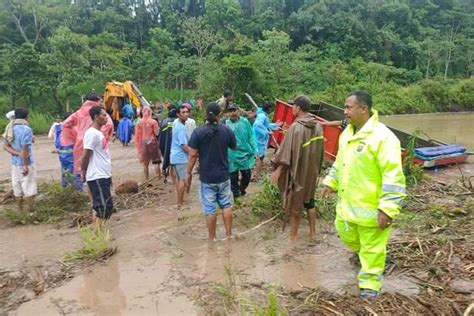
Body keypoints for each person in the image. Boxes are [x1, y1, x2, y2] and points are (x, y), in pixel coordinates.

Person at [321, 90, 406, 299]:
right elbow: (340, 162)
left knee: (372, 248)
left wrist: (387, 208)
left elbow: (393, 177)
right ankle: (363, 257)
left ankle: (370, 287)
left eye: (349, 107)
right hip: (348, 208)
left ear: (364, 108)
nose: (345, 112)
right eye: (345, 107)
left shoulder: (383, 138)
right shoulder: (348, 133)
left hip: (371, 209)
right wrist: (330, 182)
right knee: (348, 235)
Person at [270, 96, 324, 241]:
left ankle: (293, 237)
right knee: (310, 201)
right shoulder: (318, 126)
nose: (292, 108)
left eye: (293, 106)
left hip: (299, 171)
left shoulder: (296, 127)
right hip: (312, 171)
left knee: (295, 204)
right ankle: (313, 233)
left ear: (298, 108)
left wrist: (278, 170)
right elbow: (321, 151)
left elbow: (286, 152)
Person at [187, 103, 236, 240]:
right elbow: (234, 147)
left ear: (206, 114)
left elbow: (192, 154)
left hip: (207, 177)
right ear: (220, 115)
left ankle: (212, 238)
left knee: (210, 210)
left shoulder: (198, 132)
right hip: (224, 175)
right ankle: (229, 235)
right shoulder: (227, 130)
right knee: (226, 205)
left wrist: (188, 173)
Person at [61, 92, 114, 179]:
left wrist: (76, 137)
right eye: (100, 101)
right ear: (96, 101)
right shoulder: (99, 113)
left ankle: (83, 189)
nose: (102, 103)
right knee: (98, 169)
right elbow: (109, 125)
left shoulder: (79, 112)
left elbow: (65, 124)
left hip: (80, 144)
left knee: (84, 169)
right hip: (97, 143)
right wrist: (102, 136)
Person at [81, 106, 114, 229]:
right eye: (104, 115)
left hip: (103, 174)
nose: (106, 118)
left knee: (100, 207)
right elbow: (85, 155)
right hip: (97, 176)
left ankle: (99, 232)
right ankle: (97, 234)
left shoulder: (98, 133)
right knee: (105, 207)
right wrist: (83, 171)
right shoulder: (91, 134)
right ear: (96, 117)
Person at [3, 108, 37, 211]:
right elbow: (24, 149)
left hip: (14, 163)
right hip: (26, 162)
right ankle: (31, 212)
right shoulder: (26, 129)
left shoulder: (9, 127)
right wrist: (25, 165)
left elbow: (5, 146)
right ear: (26, 116)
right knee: (29, 187)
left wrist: (17, 154)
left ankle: (20, 211)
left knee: (17, 187)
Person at [225, 104, 257, 198]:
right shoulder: (226, 124)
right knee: (233, 176)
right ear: (228, 113)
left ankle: (242, 188)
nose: (233, 113)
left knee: (247, 174)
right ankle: (236, 195)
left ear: (238, 111)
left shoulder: (245, 122)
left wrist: (255, 149)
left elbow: (251, 135)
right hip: (232, 154)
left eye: (234, 110)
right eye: (230, 111)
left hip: (245, 152)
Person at [55, 112, 83, 191]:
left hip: (62, 156)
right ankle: (77, 192)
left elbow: (57, 144)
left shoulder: (59, 129)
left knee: (65, 172)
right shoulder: (72, 129)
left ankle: (66, 189)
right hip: (72, 156)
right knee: (75, 174)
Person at [253, 102, 280, 180]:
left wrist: (276, 125)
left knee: (259, 158)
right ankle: (255, 176)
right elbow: (257, 125)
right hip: (258, 141)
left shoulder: (263, 115)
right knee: (259, 159)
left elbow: (266, 125)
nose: (272, 111)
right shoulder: (262, 116)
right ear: (268, 109)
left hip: (260, 141)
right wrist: (266, 132)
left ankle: (255, 175)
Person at [170, 106, 191, 208]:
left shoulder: (175, 124)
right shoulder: (181, 128)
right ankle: (180, 204)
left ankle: (180, 202)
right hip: (180, 157)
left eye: (187, 112)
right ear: (178, 114)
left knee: (179, 180)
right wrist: (194, 154)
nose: (186, 114)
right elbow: (184, 146)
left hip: (174, 156)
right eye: (183, 112)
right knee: (182, 180)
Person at [135, 107, 161, 180]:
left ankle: (147, 179)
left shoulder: (139, 122)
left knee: (145, 163)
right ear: (150, 112)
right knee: (156, 161)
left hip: (143, 142)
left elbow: (137, 134)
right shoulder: (153, 122)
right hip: (152, 142)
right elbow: (157, 133)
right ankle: (158, 178)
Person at [159, 106, 178, 182]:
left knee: (166, 158)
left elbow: (160, 133)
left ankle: (167, 172)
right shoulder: (176, 122)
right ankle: (174, 180)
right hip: (173, 145)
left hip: (164, 143)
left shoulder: (164, 121)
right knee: (173, 163)